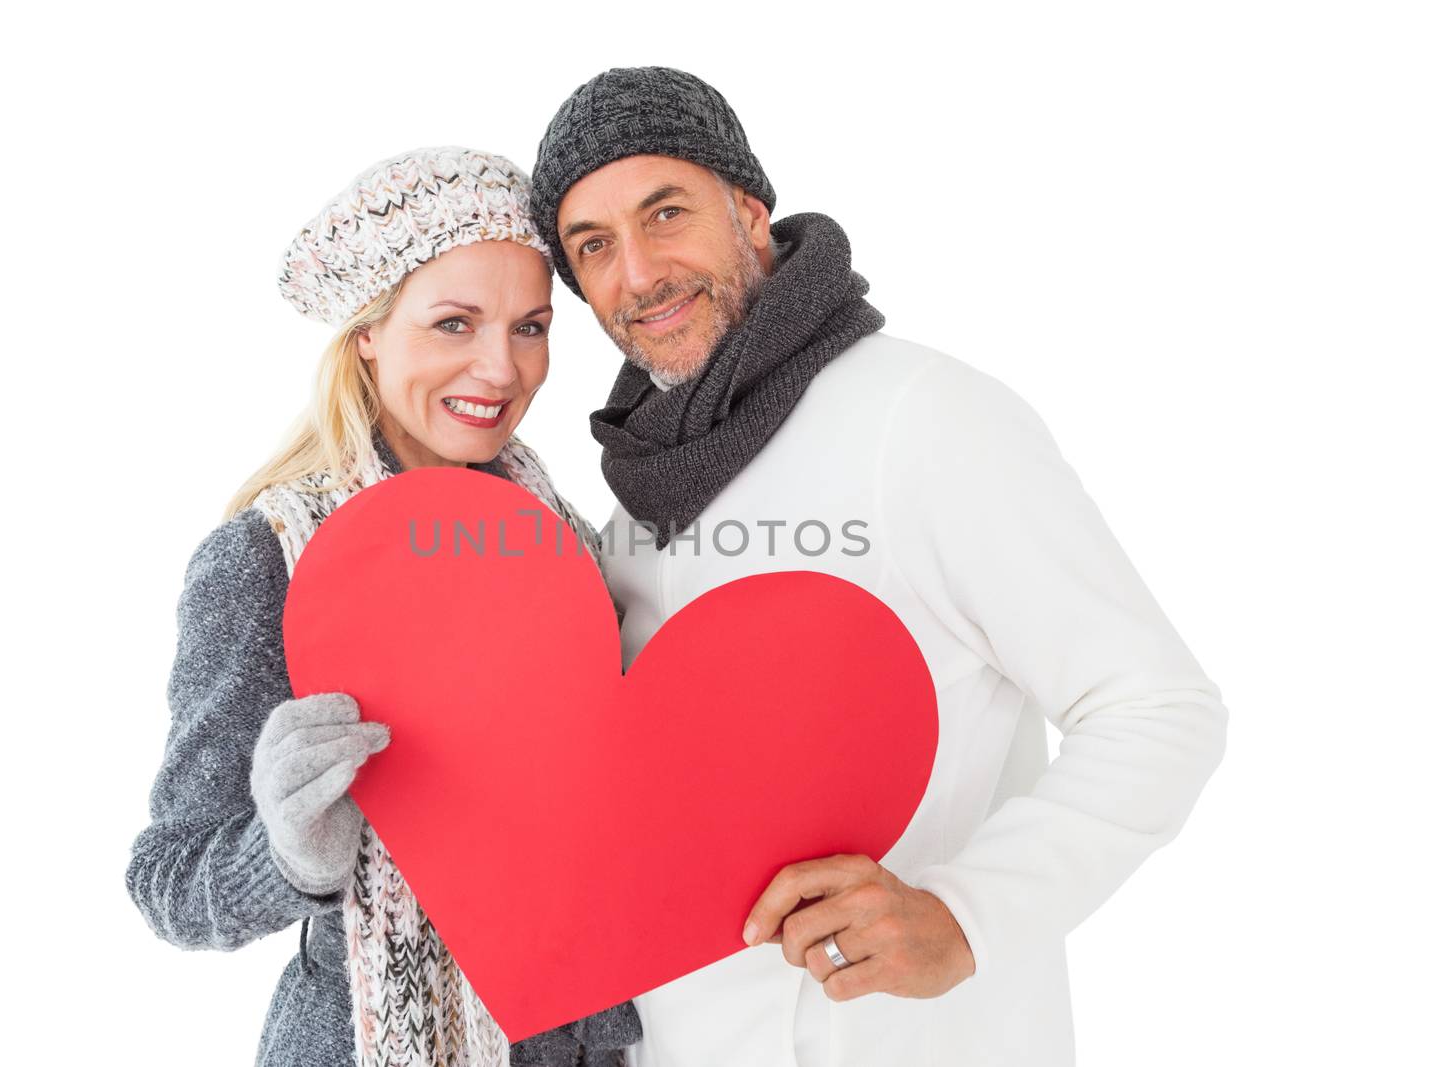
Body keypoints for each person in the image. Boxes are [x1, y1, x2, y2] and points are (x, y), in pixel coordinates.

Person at [527, 67, 1229, 1067]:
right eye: (592, 246)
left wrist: (965, 911)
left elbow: (1157, 707)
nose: (637, 273)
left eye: (666, 212)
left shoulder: (926, 422)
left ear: (750, 215)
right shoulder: (632, 504)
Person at [124, 146, 642, 1067]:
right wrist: (291, 851)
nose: (501, 367)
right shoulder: (267, 559)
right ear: (368, 331)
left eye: (531, 326)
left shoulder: (562, 538)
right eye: (454, 323)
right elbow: (170, 882)